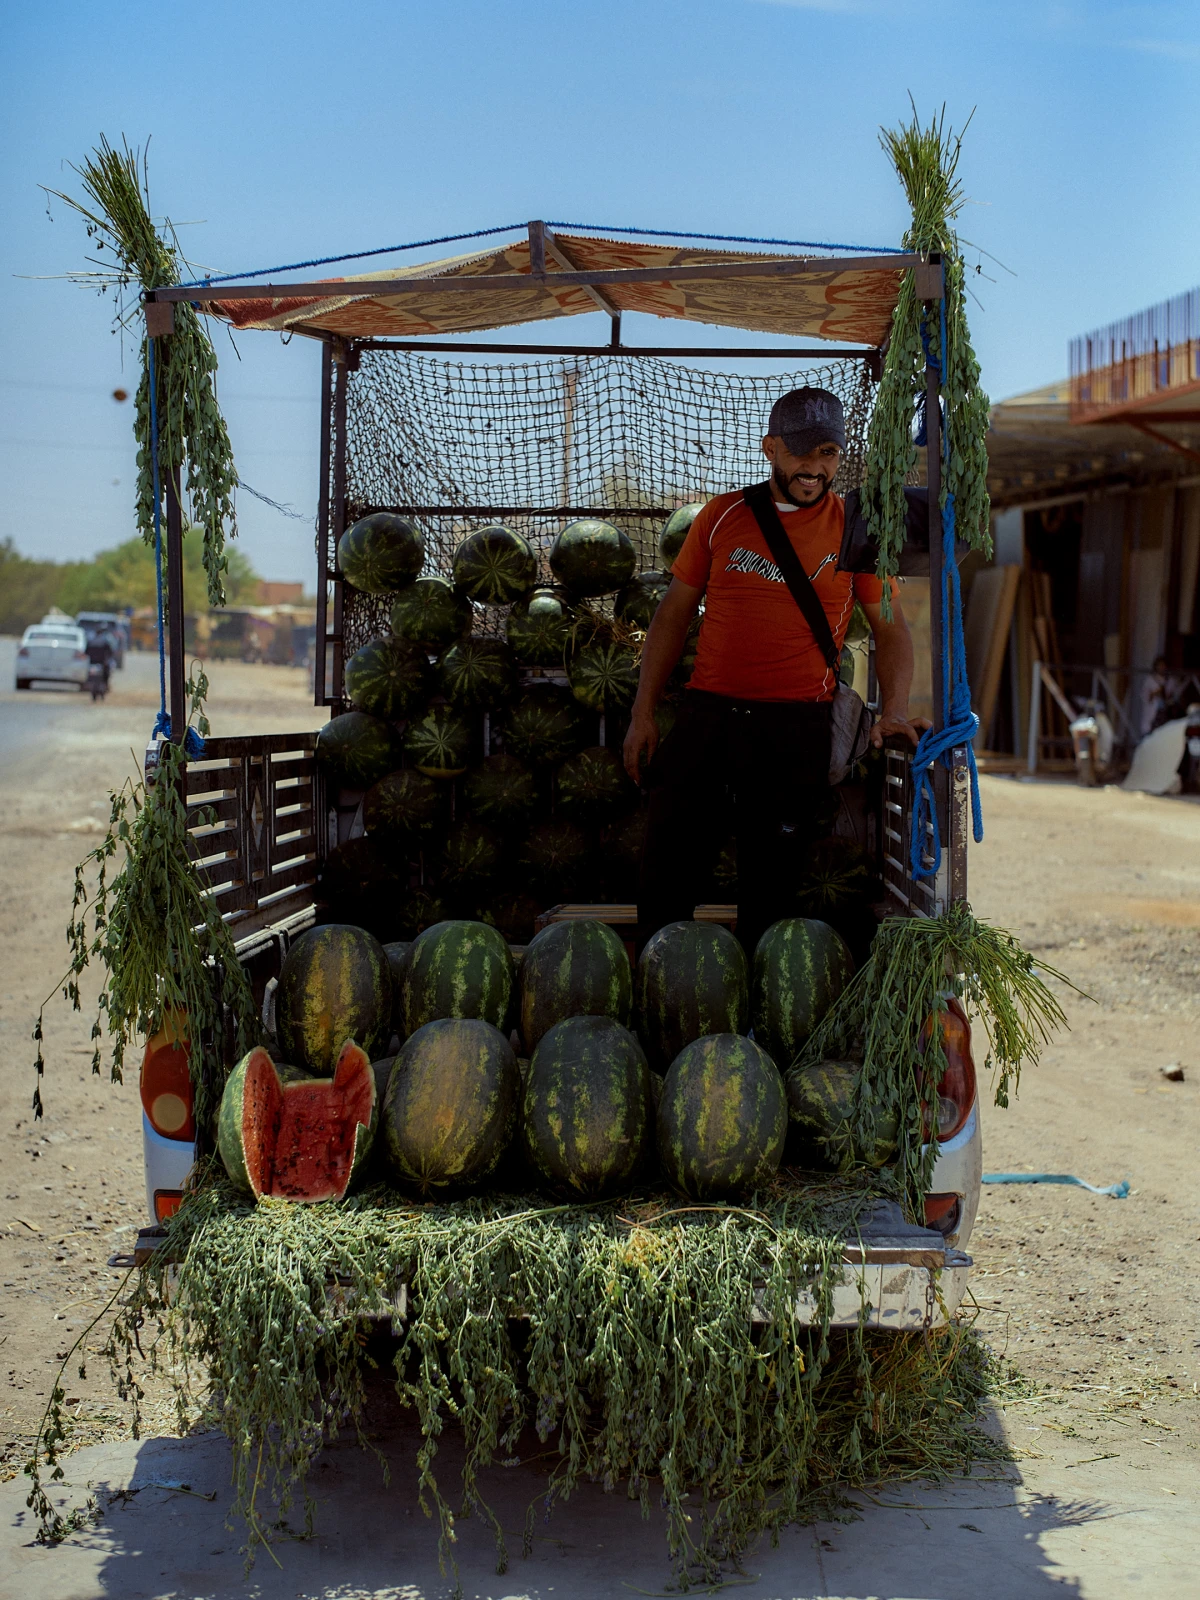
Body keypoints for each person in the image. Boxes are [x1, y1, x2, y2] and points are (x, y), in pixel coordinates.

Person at [623, 386, 929, 958]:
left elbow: (890, 628)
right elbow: (671, 617)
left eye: (829, 454)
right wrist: (644, 712)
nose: (814, 468)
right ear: (771, 449)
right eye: (801, 453)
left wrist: (892, 710)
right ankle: (658, 1009)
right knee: (664, 879)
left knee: (770, 898)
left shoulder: (855, 528)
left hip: (795, 731)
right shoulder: (722, 517)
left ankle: (758, 1034)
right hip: (707, 718)